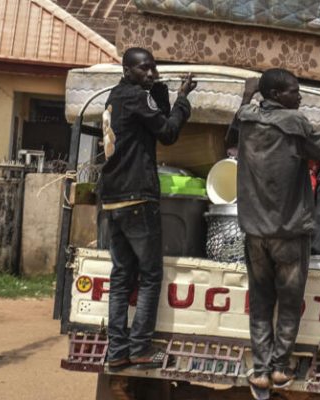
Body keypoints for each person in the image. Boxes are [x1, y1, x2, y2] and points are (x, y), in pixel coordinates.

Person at [226, 68, 320, 395]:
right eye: (293, 91)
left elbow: (231, 134)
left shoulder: (246, 118)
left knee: (260, 301)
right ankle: (279, 368)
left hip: (255, 232)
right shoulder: (295, 123)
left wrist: (247, 94)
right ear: (275, 95)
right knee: (287, 302)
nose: (299, 97)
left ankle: (259, 371)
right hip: (289, 233)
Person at [100, 48, 196, 369]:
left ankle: (116, 352)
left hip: (113, 198)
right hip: (138, 197)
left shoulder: (115, 97)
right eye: (145, 69)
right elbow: (168, 133)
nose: (151, 74)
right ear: (127, 69)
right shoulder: (136, 98)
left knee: (121, 276)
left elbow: (156, 122)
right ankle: (140, 347)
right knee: (151, 275)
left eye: (153, 68)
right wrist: (183, 100)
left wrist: (161, 92)